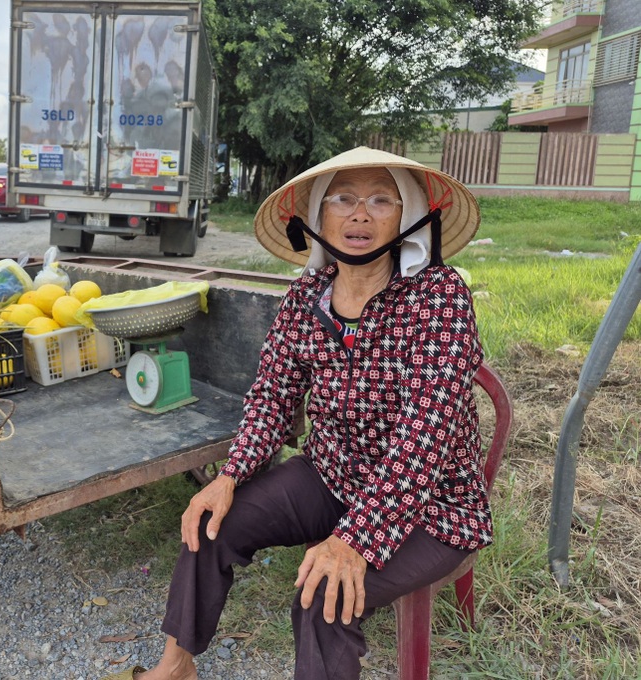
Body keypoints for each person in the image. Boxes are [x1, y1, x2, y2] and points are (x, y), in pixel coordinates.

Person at [103, 147, 493, 680]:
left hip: (432, 509)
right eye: (344, 199)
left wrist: (357, 539)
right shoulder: (307, 295)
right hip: (331, 476)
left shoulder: (439, 296)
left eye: (382, 199)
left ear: (408, 217)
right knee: (212, 523)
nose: (361, 214)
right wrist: (230, 475)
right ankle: (175, 668)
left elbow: (426, 435)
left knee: (324, 598)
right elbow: (271, 396)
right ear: (317, 217)